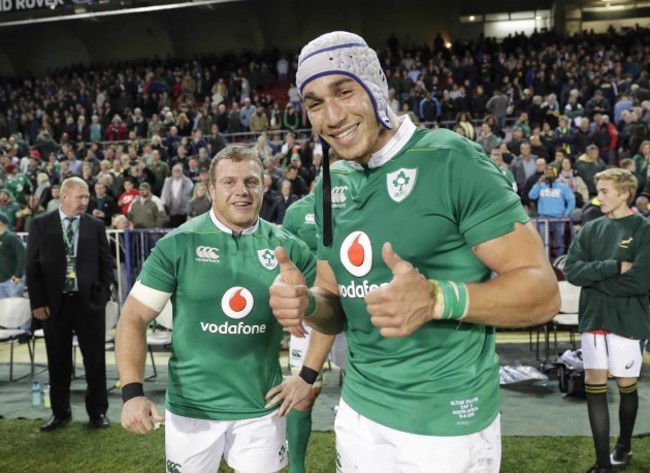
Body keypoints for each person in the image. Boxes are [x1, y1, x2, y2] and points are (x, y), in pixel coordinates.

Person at [265, 31, 559, 473]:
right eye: (314, 102)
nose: (332, 115)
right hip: (360, 412)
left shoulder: (451, 160)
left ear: (376, 89)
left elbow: (542, 292)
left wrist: (439, 298)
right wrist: (307, 303)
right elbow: (334, 303)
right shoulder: (331, 183)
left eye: (344, 91)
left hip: (443, 423)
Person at [115, 145, 316, 473]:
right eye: (230, 182)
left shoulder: (287, 247)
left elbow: (328, 308)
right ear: (211, 189)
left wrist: (306, 376)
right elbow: (134, 316)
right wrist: (132, 392)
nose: (242, 191)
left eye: (251, 182)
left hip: (261, 410)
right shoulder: (178, 244)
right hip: (191, 410)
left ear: (263, 185)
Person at [564, 168, 650, 473]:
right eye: (597, 190)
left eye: (604, 191)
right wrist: (614, 266)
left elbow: (641, 282)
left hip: (627, 320)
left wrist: (594, 279)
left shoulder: (643, 229)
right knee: (593, 384)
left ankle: (623, 448)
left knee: (627, 384)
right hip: (593, 319)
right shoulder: (590, 229)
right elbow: (572, 271)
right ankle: (603, 464)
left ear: (624, 193)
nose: (598, 197)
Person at [25, 176, 114, 432]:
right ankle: (60, 413)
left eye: (87, 197)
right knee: (57, 361)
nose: (85, 201)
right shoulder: (40, 224)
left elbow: (106, 262)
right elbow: (32, 265)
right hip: (54, 306)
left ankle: (98, 412)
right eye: (80, 197)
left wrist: (103, 294)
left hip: (89, 304)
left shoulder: (95, 225)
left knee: (95, 361)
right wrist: (37, 302)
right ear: (64, 197)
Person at [528, 166, 576, 257]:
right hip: (543, 217)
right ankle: (545, 260)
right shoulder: (540, 186)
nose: (549, 175)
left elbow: (571, 200)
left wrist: (566, 214)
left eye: (551, 173)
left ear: (555, 174)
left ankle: (559, 260)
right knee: (543, 241)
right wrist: (538, 183)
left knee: (559, 242)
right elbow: (531, 196)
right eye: (547, 173)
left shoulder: (562, 186)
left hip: (558, 218)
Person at [0, 213, 25, 298]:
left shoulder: (11, 237)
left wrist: (18, 275)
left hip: (12, 280)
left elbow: (22, 255)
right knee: (3, 309)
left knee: (15, 308)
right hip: (1, 280)